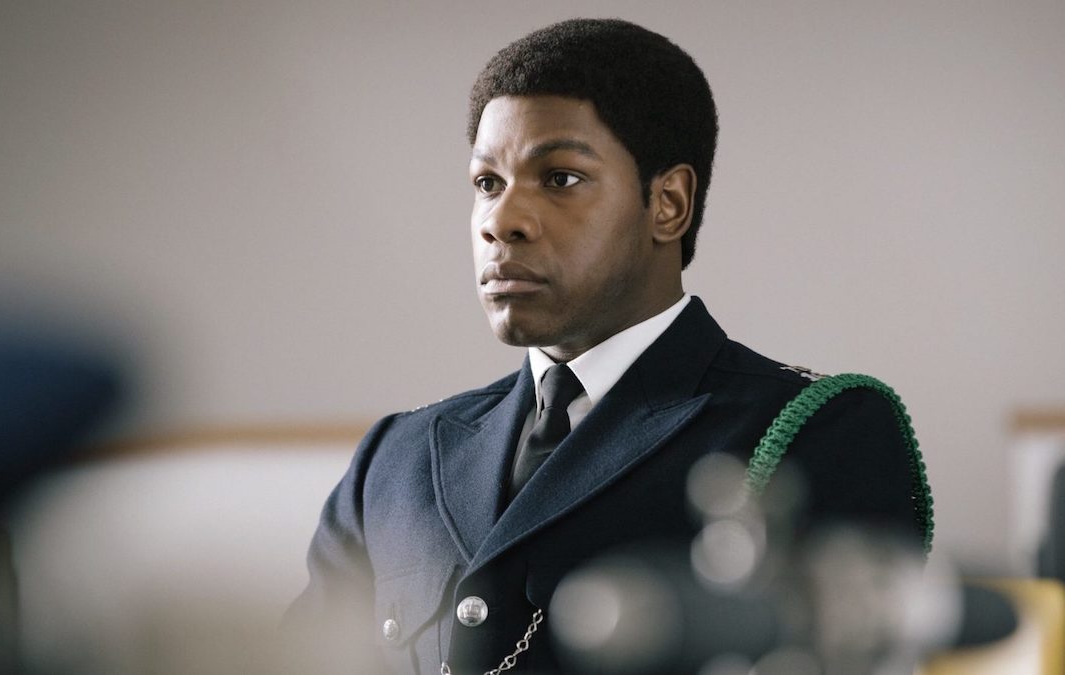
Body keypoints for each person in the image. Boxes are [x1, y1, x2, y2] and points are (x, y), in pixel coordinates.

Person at [290, 18, 931, 674]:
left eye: (560, 178)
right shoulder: (396, 459)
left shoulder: (813, 431)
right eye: (487, 183)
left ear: (668, 204)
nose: (502, 221)